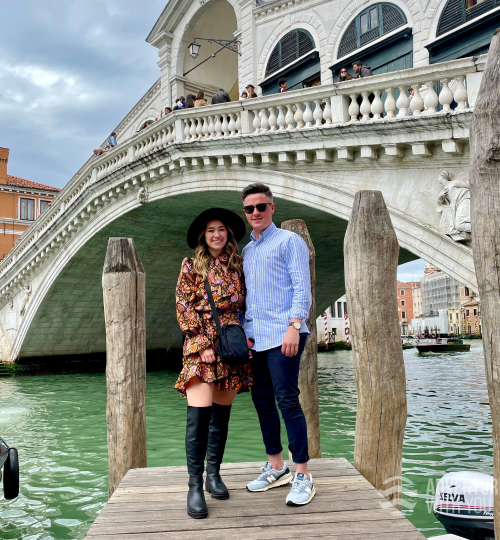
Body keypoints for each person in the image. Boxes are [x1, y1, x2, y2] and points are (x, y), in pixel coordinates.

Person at [175, 208, 253, 519]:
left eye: (221, 229)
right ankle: (194, 485)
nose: (217, 234)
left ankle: (213, 474)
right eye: (211, 230)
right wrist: (203, 343)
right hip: (202, 344)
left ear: (228, 234)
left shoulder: (239, 266)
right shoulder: (191, 265)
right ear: (202, 237)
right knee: (199, 415)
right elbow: (184, 305)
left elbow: (247, 304)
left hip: (232, 344)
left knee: (221, 416)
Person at [241, 182, 315, 507]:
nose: (255, 212)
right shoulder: (246, 251)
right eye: (249, 208)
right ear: (245, 213)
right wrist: (244, 331)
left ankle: (303, 474)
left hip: (284, 334)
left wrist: (294, 327)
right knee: (262, 401)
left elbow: (303, 288)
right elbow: (249, 300)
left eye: (261, 206)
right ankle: (276, 467)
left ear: (272, 208)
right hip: (255, 339)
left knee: (287, 401)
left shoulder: (289, 241)